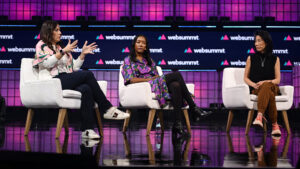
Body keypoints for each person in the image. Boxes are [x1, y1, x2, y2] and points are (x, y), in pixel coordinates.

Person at [33, 20, 130, 140]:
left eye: (60, 30)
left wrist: (82, 55)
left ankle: (87, 130)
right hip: (53, 81)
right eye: (57, 30)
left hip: (65, 78)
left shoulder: (60, 47)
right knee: (87, 74)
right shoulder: (41, 45)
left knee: (86, 89)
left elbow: (74, 67)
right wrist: (63, 52)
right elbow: (47, 63)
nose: (60, 33)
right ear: (49, 31)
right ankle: (106, 108)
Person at [121, 35, 213, 137]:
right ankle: (193, 108)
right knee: (176, 75)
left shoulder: (150, 61)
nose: (141, 44)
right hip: (144, 86)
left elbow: (156, 75)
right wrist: (148, 80)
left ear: (146, 47)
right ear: (134, 44)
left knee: (176, 85)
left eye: (143, 43)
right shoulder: (128, 60)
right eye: (138, 42)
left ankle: (177, 124)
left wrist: (155, 78)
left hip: (156, 84)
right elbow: (130, 79)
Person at [244, 30, 281, 135]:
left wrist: (265, 82)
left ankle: (259, 115)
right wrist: (253, 84)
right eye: (255, 41)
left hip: (272, 87)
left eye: (259, 41)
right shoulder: (250, 58)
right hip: (257, 89)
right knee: (269, 94)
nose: (256, 44)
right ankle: (275, 125)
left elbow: (277, 80)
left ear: (267, 42)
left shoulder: (275, 59)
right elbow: (245, 78)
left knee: (267, 86)